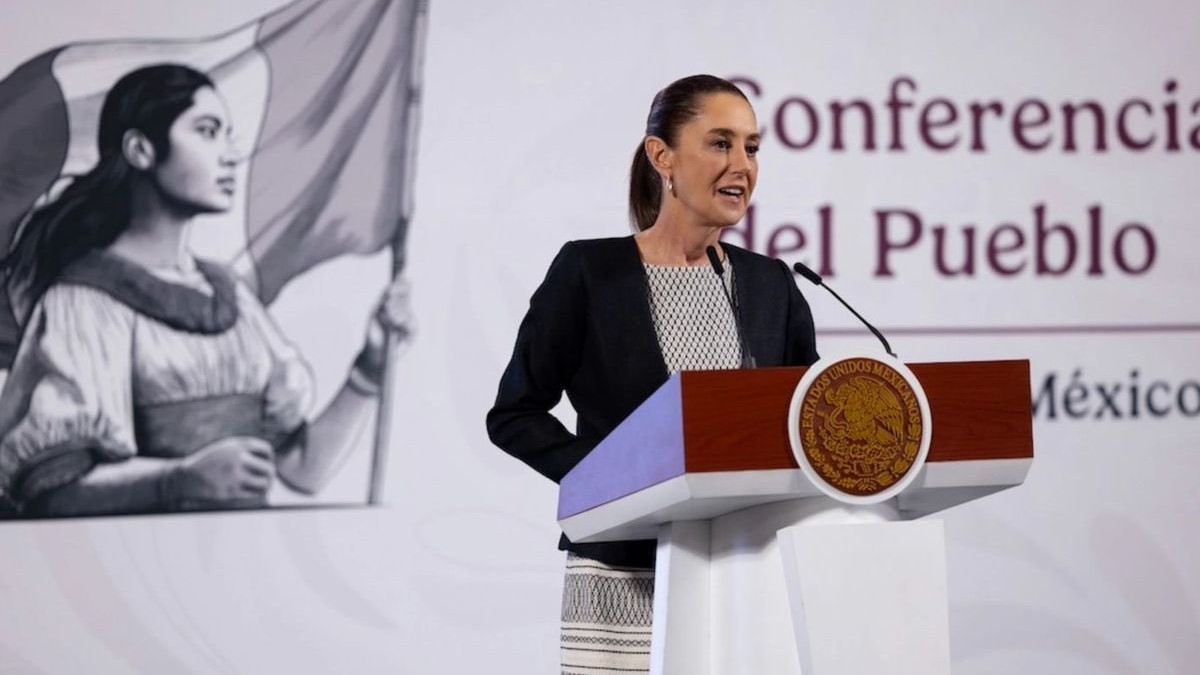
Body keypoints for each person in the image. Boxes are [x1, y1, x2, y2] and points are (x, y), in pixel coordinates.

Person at [487, 75, 819, 674]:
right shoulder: (590, 273)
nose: (742, 165)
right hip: (623, 574)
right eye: (720, 143)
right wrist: (607, 477)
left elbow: (806, 421)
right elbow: (515, 413)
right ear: (661, 155)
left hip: (746, 576)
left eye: (751, 148)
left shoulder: (772, 285)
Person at [0, 64, 412, 517]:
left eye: (227, 135)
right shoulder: (83, 301)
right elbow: (52, 492)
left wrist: (370, 367)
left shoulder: (230, 295)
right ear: (140, 150)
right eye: (208, 131)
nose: (231, 155)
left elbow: (303, 469)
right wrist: (178, 479)